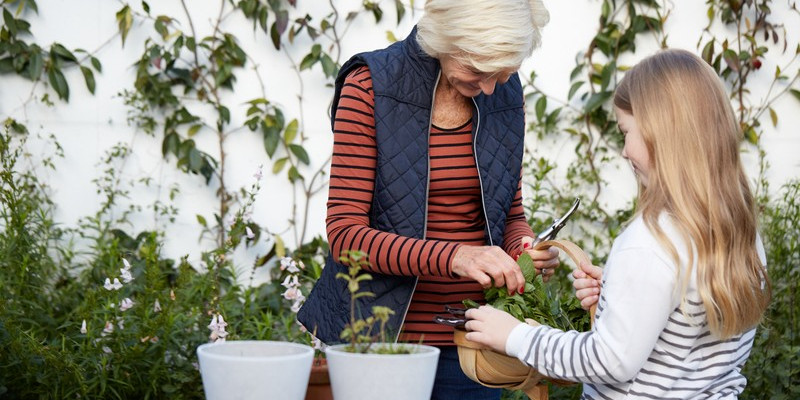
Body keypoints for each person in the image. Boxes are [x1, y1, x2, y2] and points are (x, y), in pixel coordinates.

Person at [463, 49, 772, 399]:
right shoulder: (740, 232)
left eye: (626, 132)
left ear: (662, 134)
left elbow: (610, 360)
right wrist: (618, 297)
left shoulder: (652, 241)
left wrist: (515, 335)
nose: (624, 151)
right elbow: (685, 337)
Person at [297, 0, 554, 398]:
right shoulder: (370, 86)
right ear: (446, 41)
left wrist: (524, 248)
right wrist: (458, 256)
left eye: (501, 74)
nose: (489, 88)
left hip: (474, 343)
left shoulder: (504, 92)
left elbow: (509, 213)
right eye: (477, 71)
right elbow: (346, 237)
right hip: (381, 341)